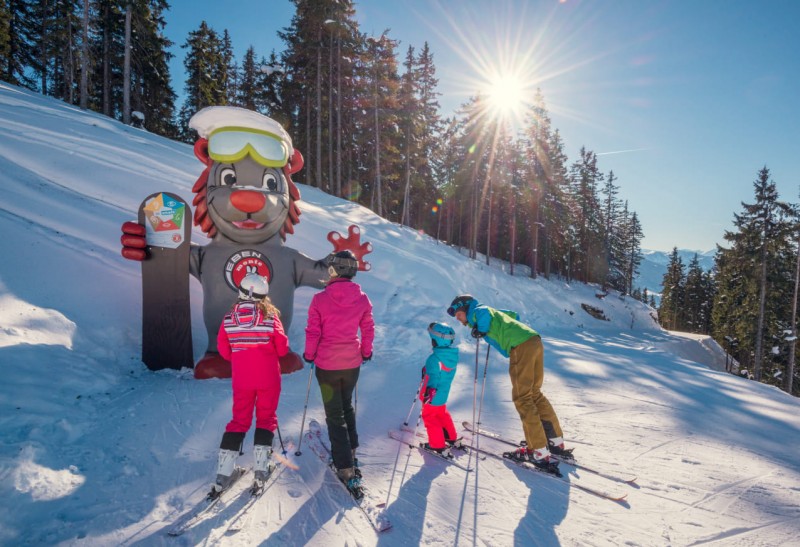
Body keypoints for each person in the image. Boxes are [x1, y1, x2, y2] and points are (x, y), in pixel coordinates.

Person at [447, 294, 570, 474]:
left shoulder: (478, 311)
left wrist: (482, 329)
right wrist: (501, 331)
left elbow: (483, 314)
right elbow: (513, 315)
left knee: (523, 398)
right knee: (534, 394)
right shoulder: (492, 313)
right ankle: (554, 441)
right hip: (533, 340)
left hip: (520, 347)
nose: (458, 319)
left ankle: (537, 451)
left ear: (465, 307)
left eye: (458, 314)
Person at [303, 250, 374, 496]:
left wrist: (309, 354)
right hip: (351, 363)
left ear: (334, 270)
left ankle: (345, 467)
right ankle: (351, 451)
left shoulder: (320, 299)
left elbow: (313, 331)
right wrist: (366, 351)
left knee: (335, 414)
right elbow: (368, 328)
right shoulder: (362, 299)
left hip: (327, 365)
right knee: (346, 406)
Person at [213, 273, 289, 492]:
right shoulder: (270, 317)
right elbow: (282, 348)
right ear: (264, 295)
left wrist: (240, 357)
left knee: (239, 420)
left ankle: (224, 474)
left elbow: (223, 349)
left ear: (240, 292)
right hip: (268, 376)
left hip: (242, 378)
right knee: (266, 417)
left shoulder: (229, 318)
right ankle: (261, 470)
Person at [420, 322, 463, 457]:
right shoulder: (451, 357)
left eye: (432, 339)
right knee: (441, 414)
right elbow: (442, 373)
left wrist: (428, 393)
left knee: (430, 418)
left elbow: (433, 377)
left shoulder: (434, 359)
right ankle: (451, 437)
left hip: (432, 396)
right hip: (443, 394)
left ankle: (437, 445)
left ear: (436, 340)